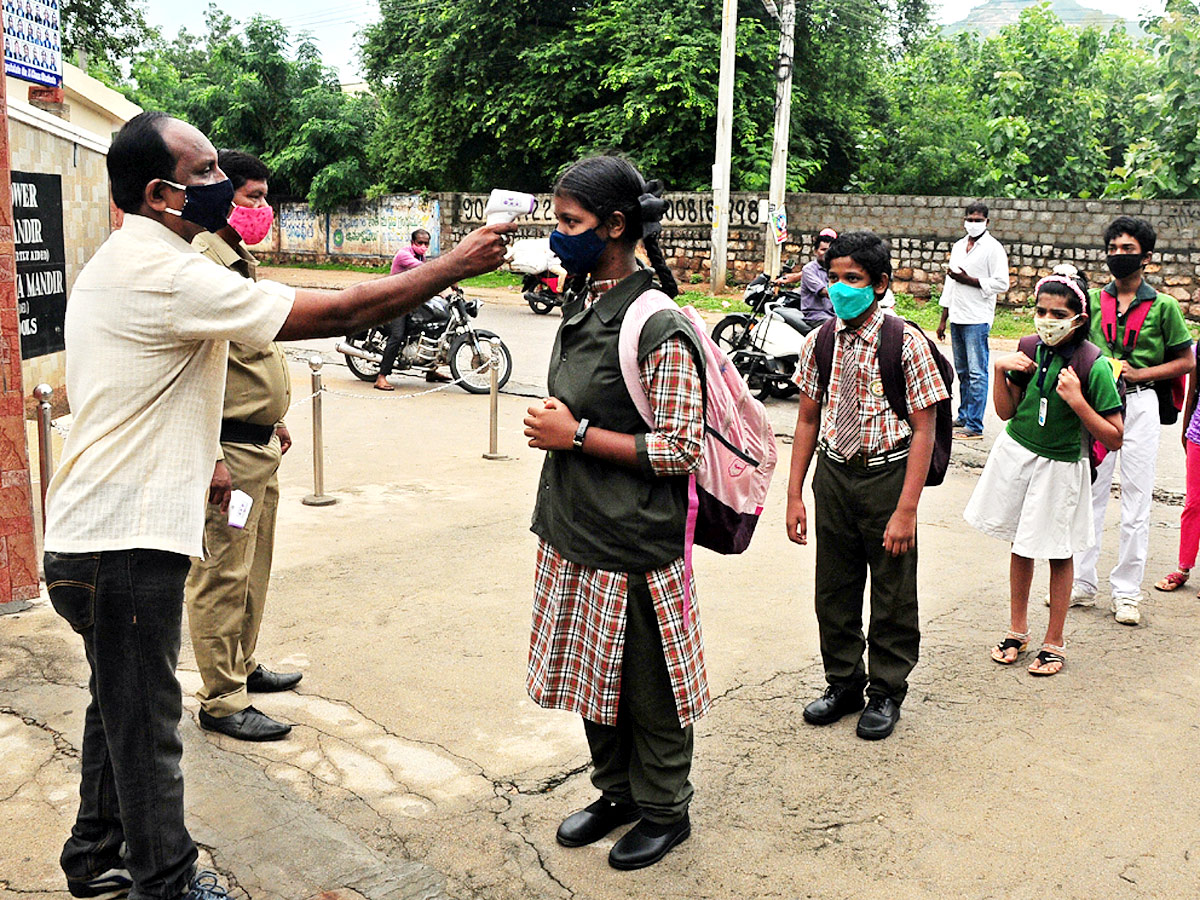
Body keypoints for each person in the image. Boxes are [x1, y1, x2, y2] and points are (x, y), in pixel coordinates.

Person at [41, 112, 510, 900]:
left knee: (114, 707)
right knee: (148, 726)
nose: (225, 186)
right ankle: (169, 880)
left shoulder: (144, 256)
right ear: (160, 194)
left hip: (98, 537)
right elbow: (340, 313)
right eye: (208, 172)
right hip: (119, 546)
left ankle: (92, 855)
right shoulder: (164, 270)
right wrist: (455, 263)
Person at [523, 155, 705, 871]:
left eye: (570, 223)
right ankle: (617, 791)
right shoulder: (584, 301)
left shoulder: (654, 321)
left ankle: (665, 808)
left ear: (617, 225)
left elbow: (682, 447)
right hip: (573, 527)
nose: (558, 234)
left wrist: (575, 435)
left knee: (648, 682)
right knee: (595, 673)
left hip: (632, 538)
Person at [786, 231, 948, 741]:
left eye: (852, 280)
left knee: (893, 591)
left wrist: (907, 509)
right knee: (833, 588)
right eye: (833, 278)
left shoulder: (906, 342)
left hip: (887, 474)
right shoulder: (820, 341)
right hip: (834, 475)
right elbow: (808, 420)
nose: (839, 289)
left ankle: (886, 690)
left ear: (879, 283)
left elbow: (925, 428)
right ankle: (843, 682)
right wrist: (795, 492)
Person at [184, 149, 300, 743]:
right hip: (228, 453)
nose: (262, 208)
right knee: (221, 573)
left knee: (253, 567)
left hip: (258, 447)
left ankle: (242, 665)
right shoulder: (204, 263)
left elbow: (247, 353)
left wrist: (271, 418)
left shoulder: (237, 259)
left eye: (262, 197)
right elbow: (196, 370)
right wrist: (214, 455)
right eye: (251, 197)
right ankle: (221, 699)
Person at [965, 266, 1123, 676]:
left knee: (1058, 548)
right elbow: (1006, 411)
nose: (1047, 321)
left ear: (1079, 319)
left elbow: (1116, 436)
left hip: (1062, 463)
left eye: (1058, 314)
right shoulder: (1028, 348)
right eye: (1041, 311)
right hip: (1018, 452)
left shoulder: (1095, 365)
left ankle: (1055, 641)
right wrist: (1001, 370)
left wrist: (1078, 401)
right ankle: (1018, 630)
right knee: (1021, 541)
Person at [1069, 216, 1194, 625]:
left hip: (1140, 403)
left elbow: (1186, 360)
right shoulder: (1090, 299)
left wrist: (1139, 374)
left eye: (1128, 249)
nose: (1119, 256)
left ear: (1147, 257)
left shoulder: (1164, 306)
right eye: (1114, 249)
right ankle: (1083, 583)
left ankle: (1126, 592)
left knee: (1137, 500)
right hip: (1099, 403)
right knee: (1090, 494)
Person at [936, 202, 1010, 441]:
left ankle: (975, 424)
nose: (974, 223)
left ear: (987, 222)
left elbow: (1002, 283)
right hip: (957, 315)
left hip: (977, 318)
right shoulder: (958, 246)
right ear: (964, 220)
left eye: (979, 220)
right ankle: (965, 415)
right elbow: (951, 283)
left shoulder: (993, 248)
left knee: (978, 372)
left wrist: (971, 280)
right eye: (970, 219)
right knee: (963, 371)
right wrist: (942, 319)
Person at [375, 229, 450, 389]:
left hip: (410, 300)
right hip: (396, 301)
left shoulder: (420, 256)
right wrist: (447, 275)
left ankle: (430, 370)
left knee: (432, 326)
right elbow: (424, 270)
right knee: (397, 335)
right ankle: (381, 377)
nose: (423, 246)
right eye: (420, 243)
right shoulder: (404, 255)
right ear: (412, 243)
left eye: (426, 244)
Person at [1154, 349, 1200, 595]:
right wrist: (1185, 432)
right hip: (1199, 436)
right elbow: (1191, 393)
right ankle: (1183, 568)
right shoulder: (1199, 349)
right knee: (1194, 504)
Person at [778, 227, 837, 327]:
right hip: (816, 316)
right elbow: (825, 291)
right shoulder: (809, 269)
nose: (826, 253)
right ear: (815, 251)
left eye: (829, 250)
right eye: (823, 250)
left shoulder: (834, 269)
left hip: (833, 315)